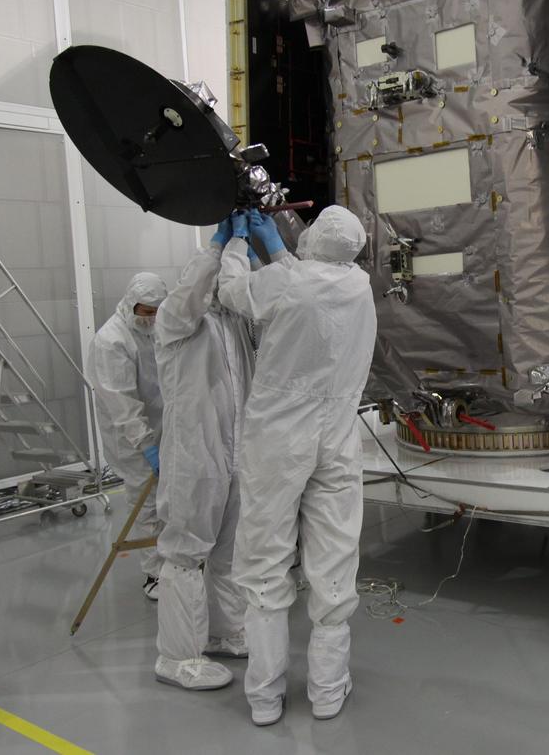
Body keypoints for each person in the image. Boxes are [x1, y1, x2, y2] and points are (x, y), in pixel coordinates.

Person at [217, 205, 376, 725]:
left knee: (265, 563)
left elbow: (233, 293)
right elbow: (309, 283)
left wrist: (238, 243)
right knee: (334, 560)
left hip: (278, 443)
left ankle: (264, 698)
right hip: (336, 439)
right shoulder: (359, 285)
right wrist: (280, 250)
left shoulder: (285, 281)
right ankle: (328, 691)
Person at [152, 217, 255, 690]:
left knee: (230, 553)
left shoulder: (231, 324)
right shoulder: (177, 322)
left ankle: (225, 632)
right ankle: (178, 656)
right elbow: (191, 291)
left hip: (234, 455)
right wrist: (221, 244)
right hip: (194, 456)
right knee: (186, 553)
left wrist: (246, 251)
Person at [87, 272, 168, 599]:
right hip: (132, 439)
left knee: (170, 504)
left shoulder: (154, 330)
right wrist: (148, 447)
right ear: (130, 304)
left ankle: (175, 563)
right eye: (145, 311)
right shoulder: (112, 341)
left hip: (162, 428)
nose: (150, 318)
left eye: (156, 311)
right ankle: (155, 574)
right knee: (146, 504)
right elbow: (123, 404)